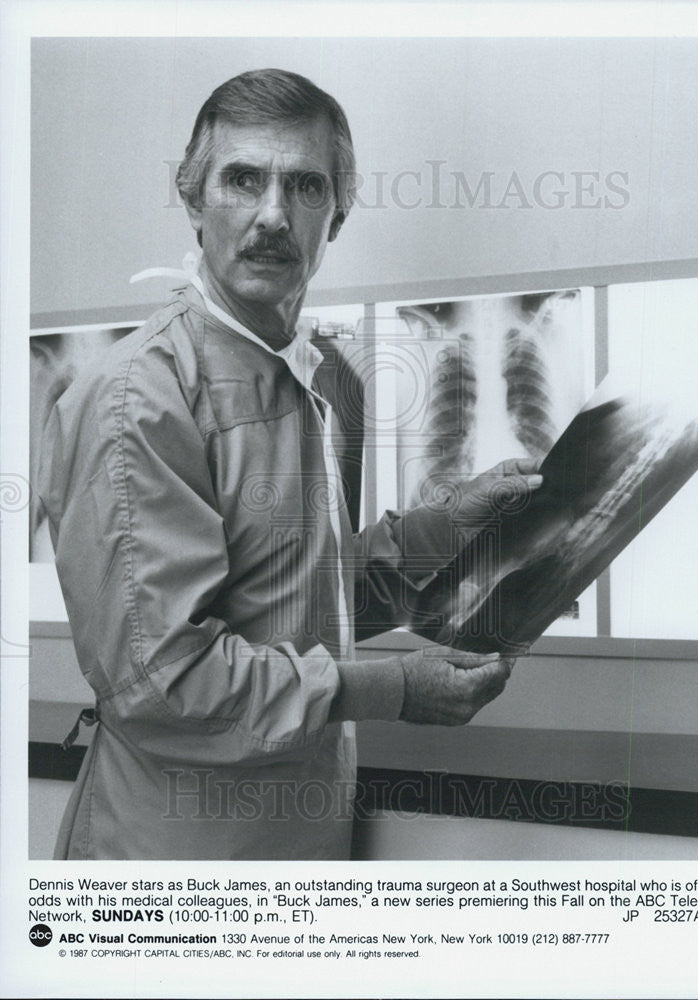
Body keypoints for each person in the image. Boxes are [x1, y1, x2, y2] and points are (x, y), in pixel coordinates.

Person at [38, 68, 542, 860]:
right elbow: (165, 685)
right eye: (244, 179)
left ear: (336, 214)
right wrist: (398, 689)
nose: (274, 214)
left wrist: (440, 531)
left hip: (299, 853)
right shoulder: (138, 397)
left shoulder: (319, 380)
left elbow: (305, 614)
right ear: (192, 195)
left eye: (305, 186)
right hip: (169, 879)